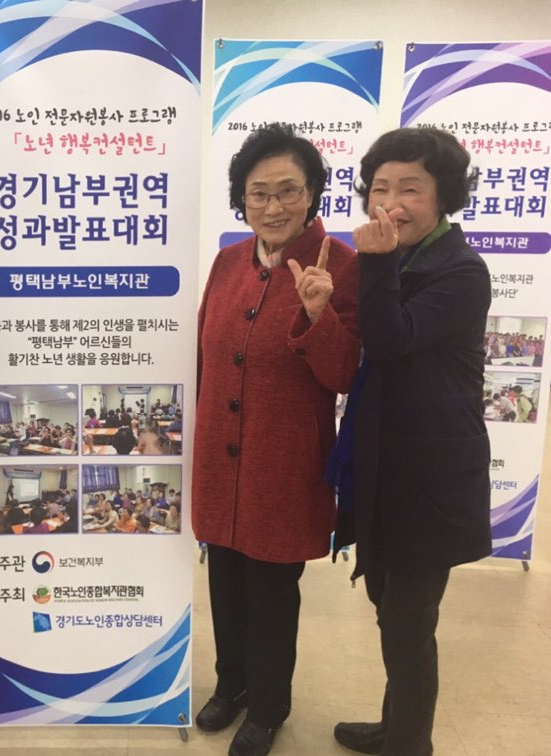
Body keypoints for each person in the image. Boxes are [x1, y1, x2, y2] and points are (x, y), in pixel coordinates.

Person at [193, 123, 360, 756]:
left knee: (271, 593)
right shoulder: (228, 262)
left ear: (312, 193)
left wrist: (318, 315)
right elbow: (206, 359)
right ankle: (230, 683)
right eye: (258, 193)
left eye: (289, 190)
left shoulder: (342, 266)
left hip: (284, 465)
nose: (273, 206)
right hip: (220, 460)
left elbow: (346, 373)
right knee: (224, 581)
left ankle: (267, 706)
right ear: (242, 199)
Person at [332, 127, 491, 756]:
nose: (391, 203)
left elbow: (391, 338)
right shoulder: (402, 258)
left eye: (410, 189)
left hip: (430, 479)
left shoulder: (461, 270)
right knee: (388, 607)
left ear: (443, 195)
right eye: (380, 188)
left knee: (408, 625)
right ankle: (394, 727)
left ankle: (409, 745)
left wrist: (372, 263)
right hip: (386, 467)